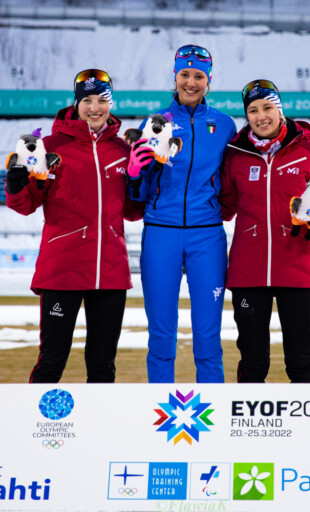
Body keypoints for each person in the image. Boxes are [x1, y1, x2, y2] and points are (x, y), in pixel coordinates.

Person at [5, 69, 143, 383]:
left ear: (111, 104)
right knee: (52, 361)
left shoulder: (123, 150)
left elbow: (133, 212)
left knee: (103, 366)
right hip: (62, 269)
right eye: (87, 101)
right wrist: (14, 186)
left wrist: (141, 182)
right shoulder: (50, 147)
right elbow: (25, 205)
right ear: (76, 103)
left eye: (102, 100)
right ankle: (34, 416)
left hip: (110, 272)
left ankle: (99, 418)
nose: (95, 108)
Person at [125, 44, 237, 383]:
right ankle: (160, 407)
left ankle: (212, 408)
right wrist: (134, 175)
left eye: (198, 76)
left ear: (209, 80)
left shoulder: (224, 125)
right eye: (184, 74)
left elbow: (232, 181)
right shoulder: (155, 122)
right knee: (161, 333)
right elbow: (139, 189)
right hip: (161, 232)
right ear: (174, 77)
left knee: (208, 335)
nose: (191, 82)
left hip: (207, 235)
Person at [219, 79, 310, 383]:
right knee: (252, 362)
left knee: (301, 360)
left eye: (267, 108)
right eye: (253, 110)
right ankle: (247, 416)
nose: (261, 116)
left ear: (280, 110)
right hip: (248, 272)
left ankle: (305, 416)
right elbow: (224, 207)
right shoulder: (235, 155)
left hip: (299, 269)